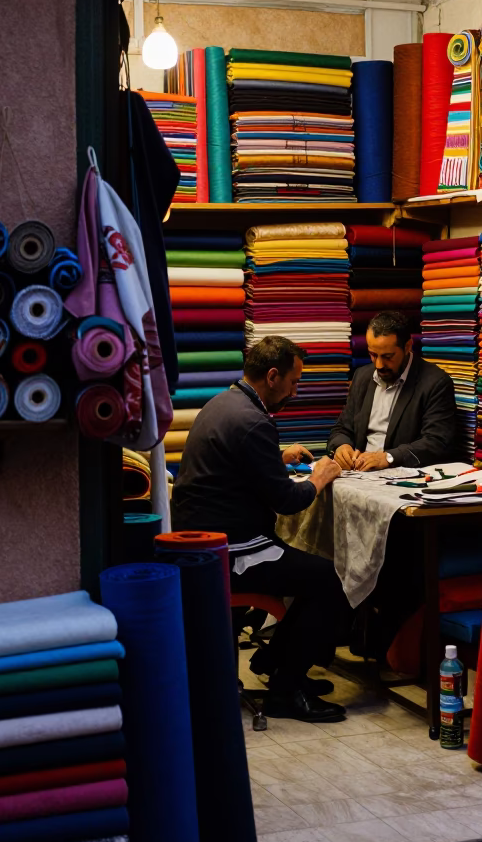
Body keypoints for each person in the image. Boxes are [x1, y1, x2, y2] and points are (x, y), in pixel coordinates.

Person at [171, 335, 350, 723]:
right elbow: (287, 500)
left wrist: (275, 455)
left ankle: (277, 663)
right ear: (272, 376)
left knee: (312, 571)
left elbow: (236, 461)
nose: (295, 391)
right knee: (328, 579)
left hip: (204, 540)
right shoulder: (253, 421)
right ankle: (287, 689)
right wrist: (319, 477)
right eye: (294, 382)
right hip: (230, 548)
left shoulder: (223, 403)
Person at [327, 310, 457, 471]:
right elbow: (342, 428)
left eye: (388, 356)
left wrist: (389, 457)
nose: (379, 365)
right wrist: (341, 446)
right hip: (359, 473)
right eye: (373, 355)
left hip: (402, 475)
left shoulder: (435, 383)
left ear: (408, 346)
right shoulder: (362, 376)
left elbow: (437, 442)